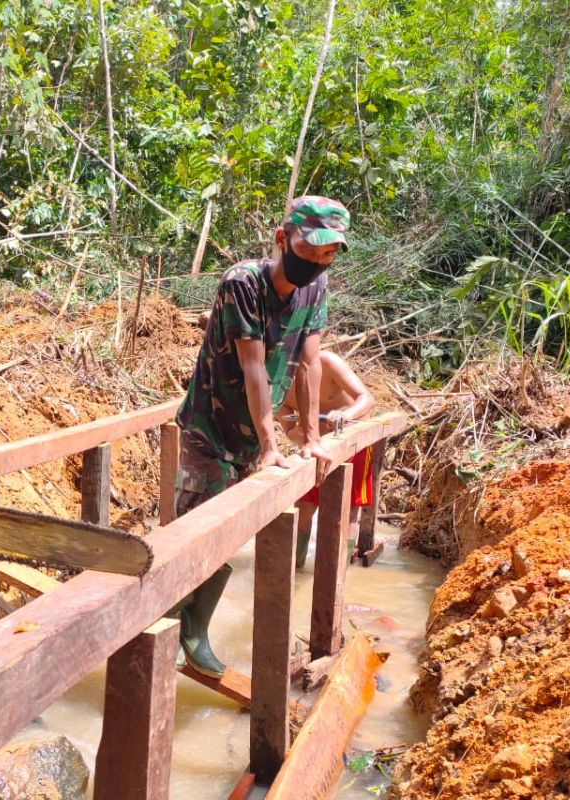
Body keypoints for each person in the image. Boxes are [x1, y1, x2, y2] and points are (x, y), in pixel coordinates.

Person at [172, 196, 350, 677]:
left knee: (227, 536)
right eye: (308, 251)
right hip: (211, 428)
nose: (315, 264)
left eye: (326, 255)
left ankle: (190, 628)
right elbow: (253, 369)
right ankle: (172, 628)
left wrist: (311, 438)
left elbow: (310, 363)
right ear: (281, 238)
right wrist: (273, 447)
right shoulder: (243, 283)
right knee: (195, 530)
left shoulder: (316, 290)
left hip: (253, 436)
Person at [279, 350, 376, 568]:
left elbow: (368, 399)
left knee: (347, 509)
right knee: (303, 505)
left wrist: (346, 415)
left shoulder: (328, 361)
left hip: (353, 440)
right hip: (317, 448)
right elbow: (289, 431)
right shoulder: (278, 385)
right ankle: (296, 568)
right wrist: (301, 432)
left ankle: (341, 569)